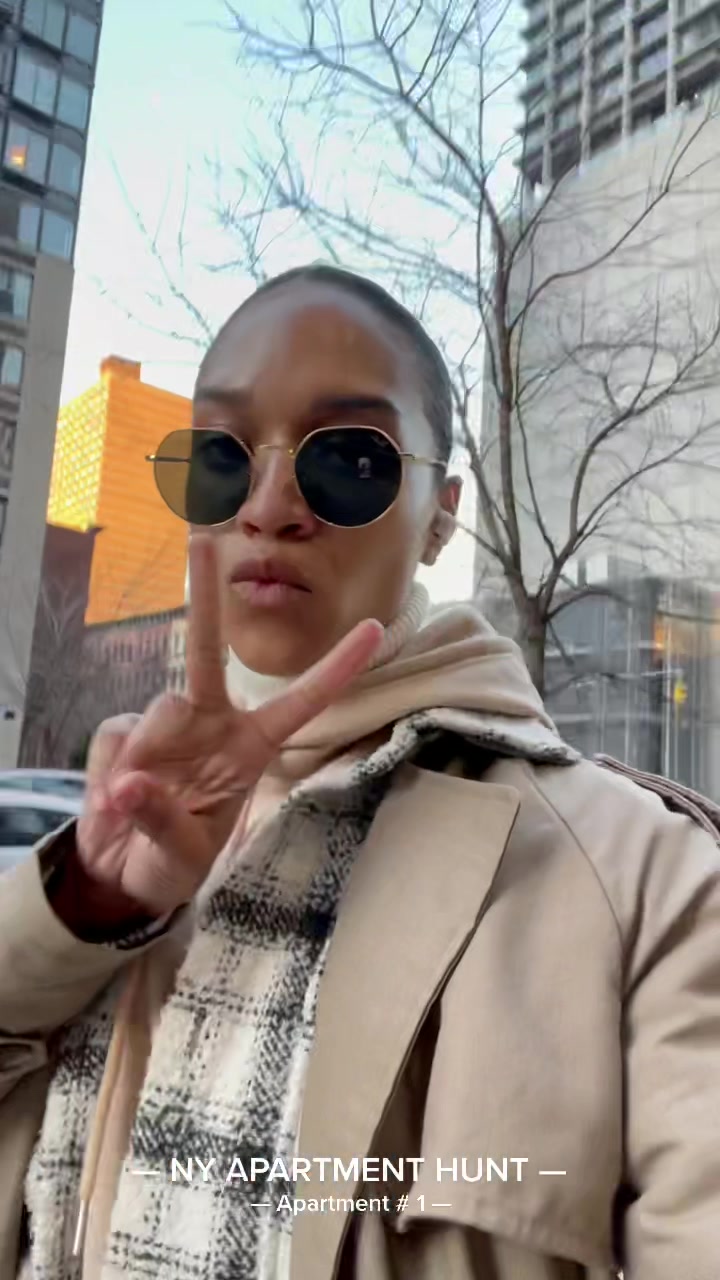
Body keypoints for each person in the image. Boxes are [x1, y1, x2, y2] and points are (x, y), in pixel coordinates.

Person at [1, 265, 718, 1280]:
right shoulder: (109, 859)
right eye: (221, 456)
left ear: (441, 515)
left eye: (348, 458)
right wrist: (86, 905)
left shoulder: (643, 878)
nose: (269, 505)